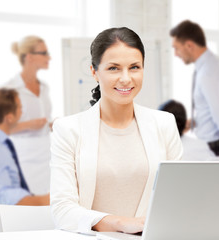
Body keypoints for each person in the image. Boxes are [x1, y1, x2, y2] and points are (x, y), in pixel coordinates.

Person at [50, 27, 183, 234]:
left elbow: (179, 196)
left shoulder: (164, 124)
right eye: (113, 68)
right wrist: (122, 224)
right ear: (94, 72)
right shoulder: (68, 130)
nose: (125, 78)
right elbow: (62, 210)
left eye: (134, 67)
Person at [170, 20, 219, 156]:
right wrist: (194, 123)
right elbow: (213, 109)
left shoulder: (209, 72)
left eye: (176, 48)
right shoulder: (212, 66)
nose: (175, 54)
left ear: (189, 45)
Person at [4, 35, 52, 194]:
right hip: (23, 159)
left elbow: (42, 119)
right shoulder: (11, 89)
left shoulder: (44, 87)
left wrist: (51, 124)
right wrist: (29, 125)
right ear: (29, 57)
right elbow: (1, 128)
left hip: (46, 157)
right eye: (44, 53)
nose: (49, 57)